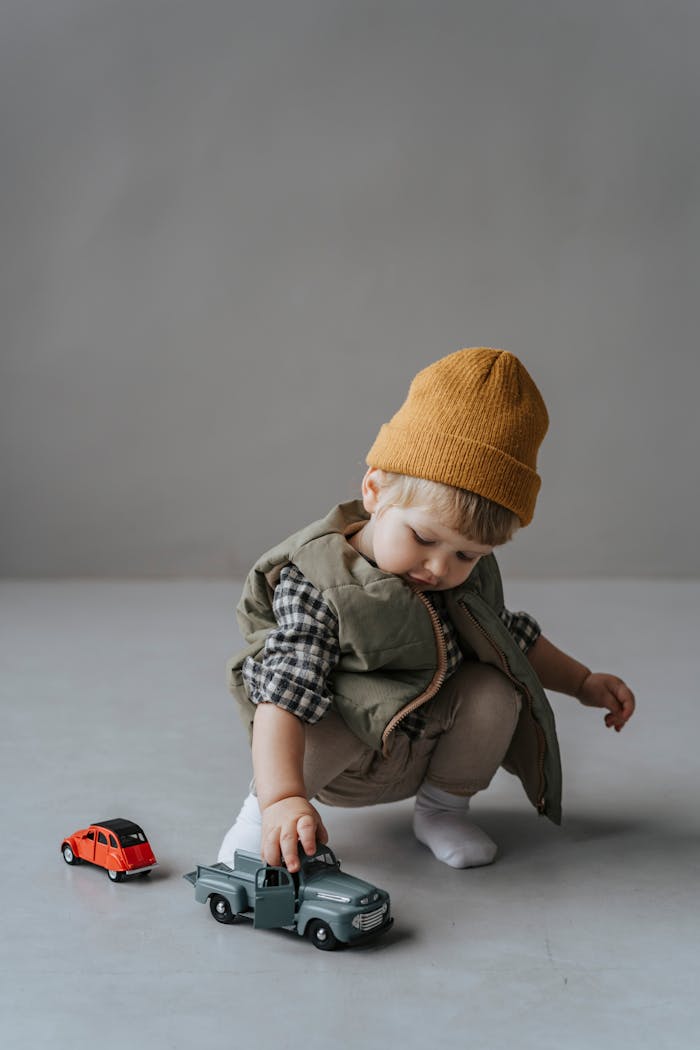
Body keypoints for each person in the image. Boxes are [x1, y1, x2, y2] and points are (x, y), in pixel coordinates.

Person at [219, 347, 635, 873]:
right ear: (375, 491)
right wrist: (282, 797)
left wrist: (582, 682)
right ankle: (258, 820)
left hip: (418, 748)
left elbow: (511, 638)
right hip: (339, 763)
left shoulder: (459, 578)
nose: (439, 567)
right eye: (423, 538)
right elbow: (283, 696)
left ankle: (443, 811)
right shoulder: (320, 582)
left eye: (466, 554)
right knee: (309, 710)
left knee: (495, 689)